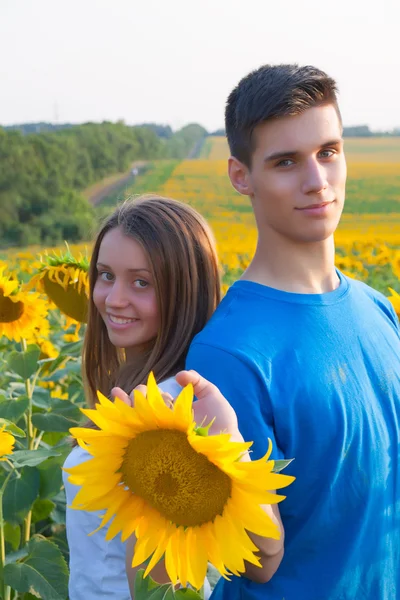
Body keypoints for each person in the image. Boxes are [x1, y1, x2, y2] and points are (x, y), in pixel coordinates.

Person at [186, 64, 400, 599]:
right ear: (241, 177)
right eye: (286, 162)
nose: (317, 181)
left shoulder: (379, 310)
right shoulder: (229, 354)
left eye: (329, 151)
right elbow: (257, 561)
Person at [62, 195, 221, 599]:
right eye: (105, 275)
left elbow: (165, 587)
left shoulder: (167, 415)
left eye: (141, 282)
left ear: (185, 291)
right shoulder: (138, 397)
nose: (113, 299)